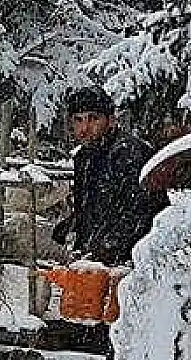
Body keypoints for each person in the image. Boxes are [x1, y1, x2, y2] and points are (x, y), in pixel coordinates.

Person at [66, 85, 165, 265]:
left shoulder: (129, 153)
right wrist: (80, 245)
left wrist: (108, 249)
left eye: (93, 119)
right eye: (78, 120)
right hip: (97, 260)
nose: (84, 128)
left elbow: (140, 212)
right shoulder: (83, 157)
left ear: (110, 120)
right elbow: (86, 211)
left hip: (136, 259)